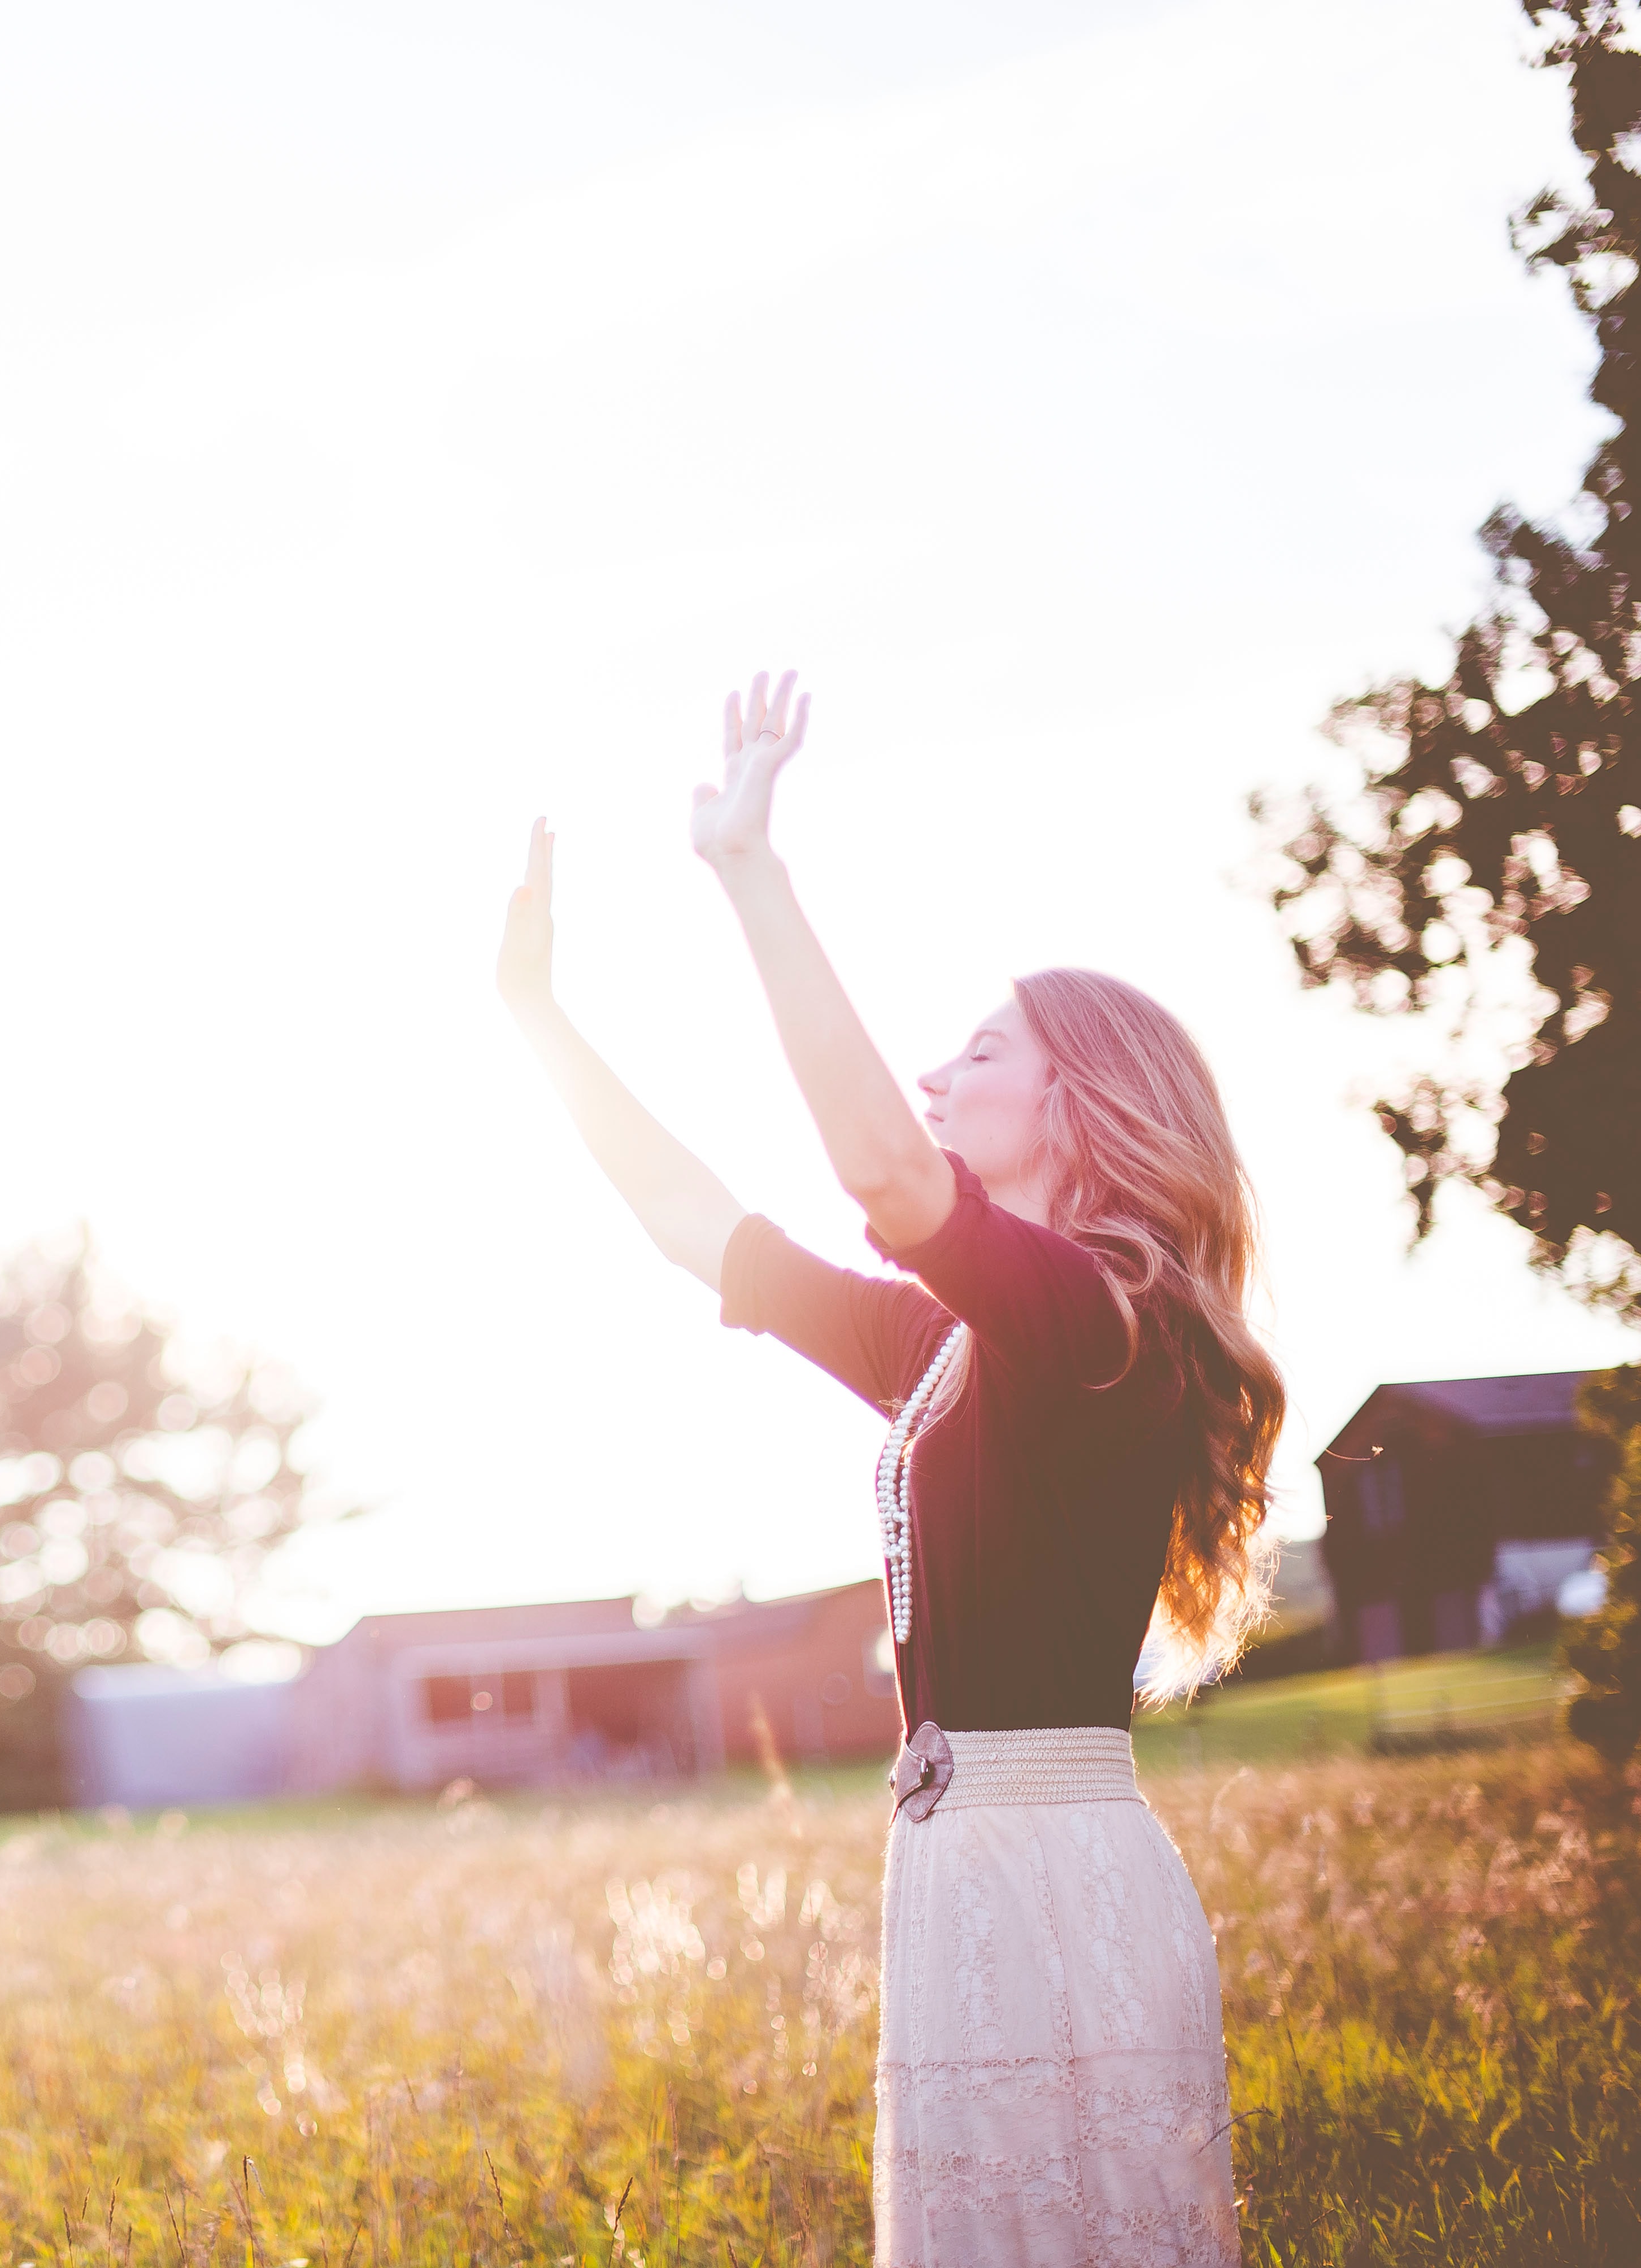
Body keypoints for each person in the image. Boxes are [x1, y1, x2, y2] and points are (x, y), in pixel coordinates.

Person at [494, 673, 1277, 2267]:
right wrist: (542, 1024)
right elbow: (704, 1229)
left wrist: (752, 876)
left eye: (977, 1052)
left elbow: (880, 1169)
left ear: (1081, 1098)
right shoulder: (952, 1340)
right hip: (958, 1873)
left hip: (1058, 1878)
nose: (935, 1077)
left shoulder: (1107, 1323)